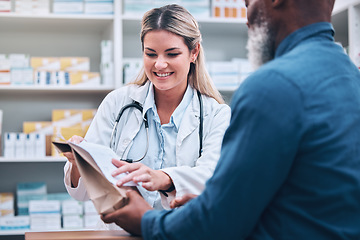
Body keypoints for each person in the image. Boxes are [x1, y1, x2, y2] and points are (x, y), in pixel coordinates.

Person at [100, 0, 360, 239]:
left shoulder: (274, 86)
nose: (248, 18)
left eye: (249, 3)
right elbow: (303, 197)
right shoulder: (351, 78)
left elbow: (221, 220)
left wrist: (145, 220)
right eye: (151, 53)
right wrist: (208, 203)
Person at [63, 4, 231, 230]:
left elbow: (213, 179)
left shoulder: (216, 115)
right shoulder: (117, 103)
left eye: (172, 54)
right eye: (150, 53)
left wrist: (163, 178)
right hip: (120, 234)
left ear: (194, 52)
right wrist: (79, 164)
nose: (159, 64)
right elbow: (83, 194)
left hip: (183, 233)